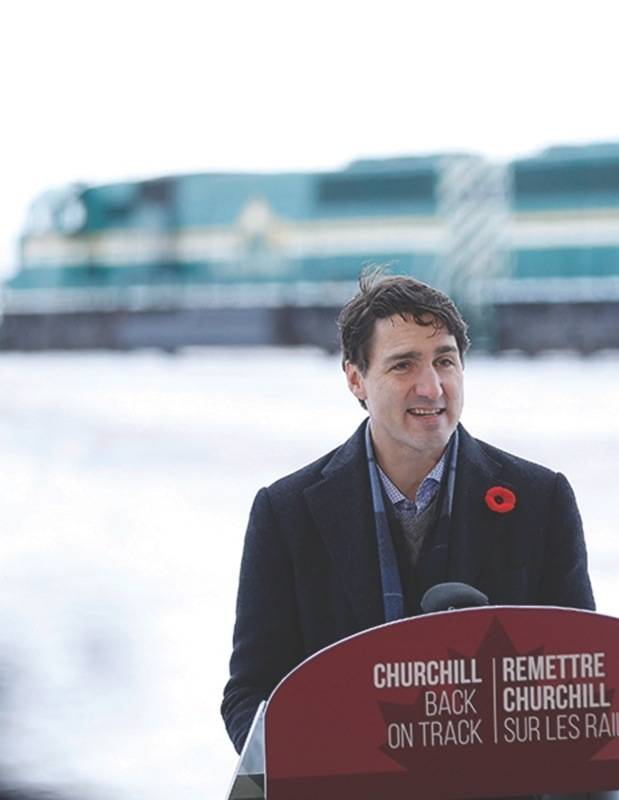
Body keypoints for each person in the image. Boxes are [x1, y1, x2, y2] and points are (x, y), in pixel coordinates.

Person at [220, 271, 595, 752]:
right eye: (403, 365)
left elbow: (582, 679)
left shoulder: (542, 500)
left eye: (445, 361)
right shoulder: (287, 513)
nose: (432, 387)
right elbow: (251, 693)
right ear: (356, 379)